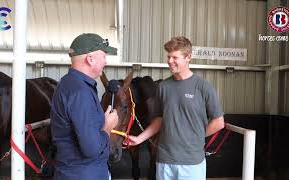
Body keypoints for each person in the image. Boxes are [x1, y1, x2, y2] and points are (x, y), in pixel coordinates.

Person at [127, 36, 225, 179]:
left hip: (191, 163)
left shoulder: (203, 87)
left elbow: (218, 122)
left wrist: (194, 138)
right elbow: (159, 119)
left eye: (174, 57)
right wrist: (139, 139)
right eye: (168, 57)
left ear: (188, 57)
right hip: (164, 161)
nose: (170, 61)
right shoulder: (163, 87)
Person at [50, 33, 119, 180]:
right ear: (90, 59)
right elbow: (91, 149)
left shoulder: (68, 84)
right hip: (84, 174)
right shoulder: (80, 92)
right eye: (104, 57)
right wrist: (108, 127)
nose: (105, 62)